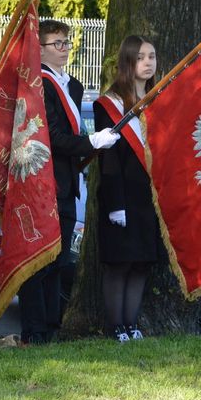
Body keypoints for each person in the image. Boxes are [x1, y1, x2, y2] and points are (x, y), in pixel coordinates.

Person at [31, 20, 119, 344]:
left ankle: (52, 326)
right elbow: (52, 137)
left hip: (67, 184)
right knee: (39, 262)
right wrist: (91, 142)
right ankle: (34, 330)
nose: (65, 48)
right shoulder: (37, 84)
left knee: (58, 260)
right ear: (39, 49)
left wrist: (88, 144)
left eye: (67, 42)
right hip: (41, 184)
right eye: (57, 43)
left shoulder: (74, 86)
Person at [93, 35, 160, 340]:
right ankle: (116, 327)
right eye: (141, 57)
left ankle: (131, 325)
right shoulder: (109, 104)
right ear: (128, 62)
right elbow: (110, 159)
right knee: (119, 263)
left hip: (152, 196)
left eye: (152, 56)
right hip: (121, 194)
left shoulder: (160, 98)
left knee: (141, 263)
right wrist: (115, 203)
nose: (148, 62)